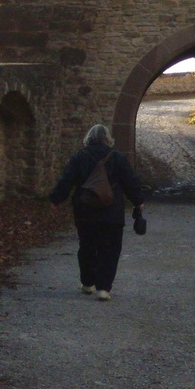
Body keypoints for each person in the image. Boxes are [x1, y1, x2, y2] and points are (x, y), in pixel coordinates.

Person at [48, 124, 144, 301]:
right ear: (107, 139)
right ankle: (103, 288)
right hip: (111, 212)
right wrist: (138, 201)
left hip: (85, 210)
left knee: (87, 246)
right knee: (110, 249)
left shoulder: (79, 157)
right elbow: (130, 181)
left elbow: (67, 179)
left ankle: (87, 282)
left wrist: (56, 199)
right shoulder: (118, 158)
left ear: (88, 138)